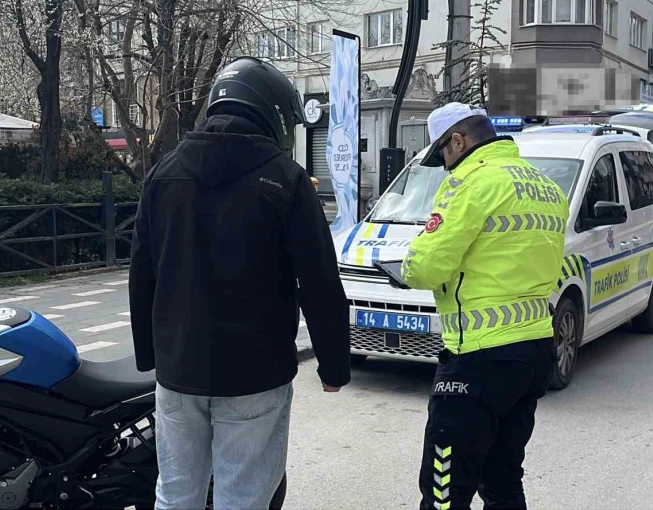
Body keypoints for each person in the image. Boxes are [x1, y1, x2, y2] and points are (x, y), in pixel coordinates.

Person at [128, 57, 351, 510]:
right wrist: (334, 366)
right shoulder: (286, 181)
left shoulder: (162, 175)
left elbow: (142, 273)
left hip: (178, 373)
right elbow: (320, 282)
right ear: (271, 112)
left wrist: (151, 356)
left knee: (175, 496)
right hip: (255, 374)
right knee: (244, 499)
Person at [392, 103, 568, 510]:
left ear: (458, 140)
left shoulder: (470, 183)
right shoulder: (545, 187)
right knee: (504, 480)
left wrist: (411, 260)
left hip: (478, 357)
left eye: (442, 156)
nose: (445, 167)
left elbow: (422, 267)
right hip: (535, 349)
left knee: (443, 489)